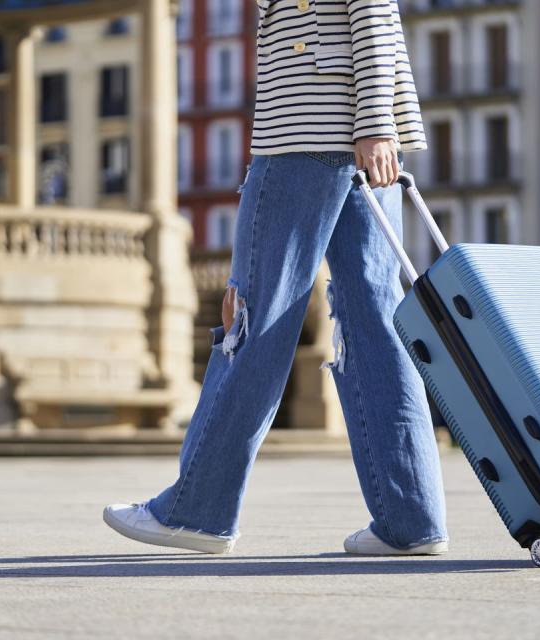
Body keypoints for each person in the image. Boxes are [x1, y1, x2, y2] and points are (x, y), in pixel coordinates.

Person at [103, 0, 448, 556]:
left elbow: (374, 12)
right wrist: (377, 127)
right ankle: (411, 519)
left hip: (306, 134)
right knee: (377, 325)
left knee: (253, 317)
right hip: (355, 133)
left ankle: (198, 510)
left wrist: (377, 126)